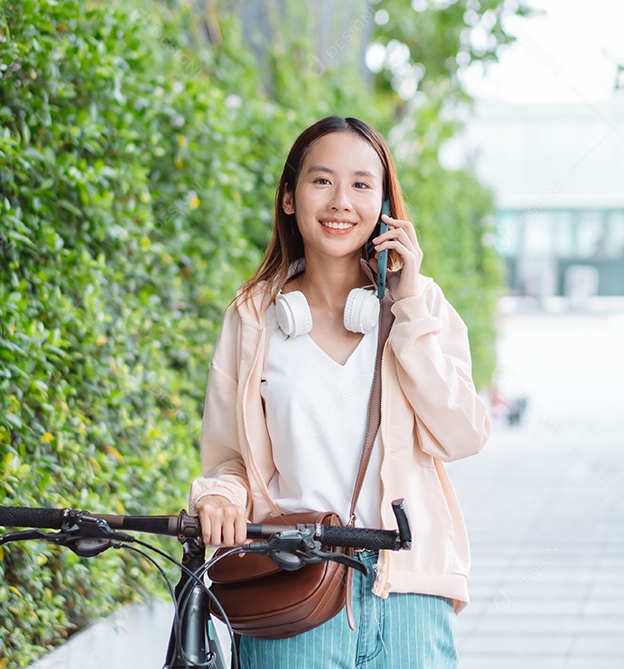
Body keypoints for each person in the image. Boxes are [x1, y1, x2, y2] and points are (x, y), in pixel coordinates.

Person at [188, 116, 490, 668]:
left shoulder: (420, 307)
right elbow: (230, 456)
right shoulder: (254, 318)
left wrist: (408, 307)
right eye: (321, 181)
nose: (340, 202)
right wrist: (218, 497)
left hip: (410, 591)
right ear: (288, 198)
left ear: (384, 206)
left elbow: (462, 434)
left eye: (361, 184)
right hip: (293, 584)